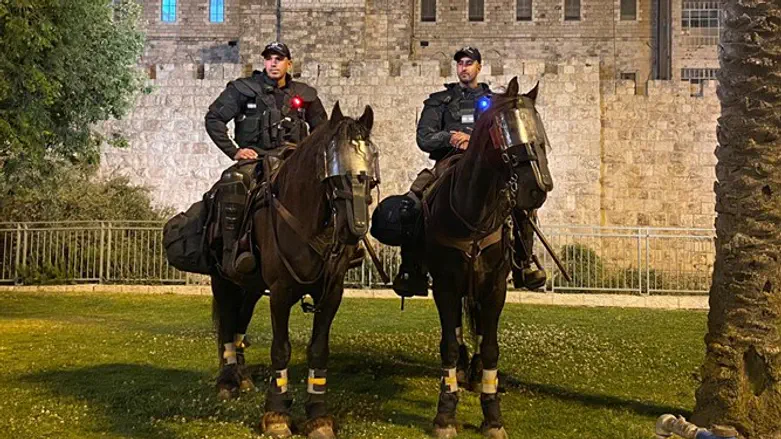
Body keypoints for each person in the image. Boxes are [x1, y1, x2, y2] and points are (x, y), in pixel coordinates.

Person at [392, 46, 546, 296]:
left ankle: (524, 263)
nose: (463, 68)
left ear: (479, 67)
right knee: (412, 203)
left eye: (469, 63)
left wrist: (474, 140)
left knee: (521, 205)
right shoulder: (439, 101)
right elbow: (424, 138)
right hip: (447, 163)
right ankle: (411, 269)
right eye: (460, 63)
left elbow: (507, 135)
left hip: (487, 167)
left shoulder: (494, 103)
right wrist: (451, 137)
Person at [205, 41, 327, 277]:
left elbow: (322, 130)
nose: (273, 63)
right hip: (256, 160)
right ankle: (233, 251)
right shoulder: (243, 89)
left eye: (279, 59)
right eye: (269, 58)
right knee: (234, 182)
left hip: (292, 163)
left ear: (289, 64)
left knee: (330, 185)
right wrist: (234, 151)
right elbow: (214, 119)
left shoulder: (305, 95)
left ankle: (333, 248)